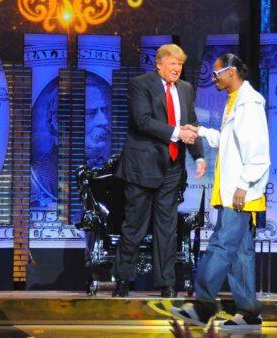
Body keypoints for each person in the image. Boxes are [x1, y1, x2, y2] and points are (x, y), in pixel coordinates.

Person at [170, 54, 270, 330]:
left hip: (241, 193)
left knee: (220, 246)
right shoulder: (235, 102)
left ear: (233, 71)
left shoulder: (249, 105)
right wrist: (200, 130)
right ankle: (250, 313)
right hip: (235, 191)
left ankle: (202, 307)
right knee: (240, 252)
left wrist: (244, 185)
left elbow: (259, 153)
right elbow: (227, 140)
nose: (213, 78)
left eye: (217, 73)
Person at [113, 44, 206, 298]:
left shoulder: (185, 89)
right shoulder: (140, 84)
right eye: (172, 63)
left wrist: (198, 156)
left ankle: (166, 283)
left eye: (180, 64)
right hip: (143, 167)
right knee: (135, 225)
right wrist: (178, 133)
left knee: (167, 228)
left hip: (172, 168)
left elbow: (191, 124)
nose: (177, 68)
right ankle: (122, 279)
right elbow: (142, 121)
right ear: (159, 64)